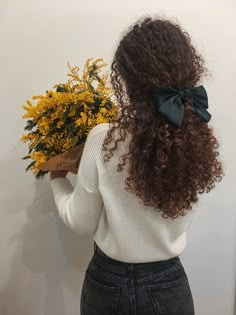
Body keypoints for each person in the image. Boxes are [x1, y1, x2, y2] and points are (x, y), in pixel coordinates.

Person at [50, 17, 223, 315]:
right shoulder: (193, 137)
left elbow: (80, 222)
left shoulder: (105, 138)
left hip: (107, 284)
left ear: (128, 78)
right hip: (168, 284)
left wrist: (57, 178)